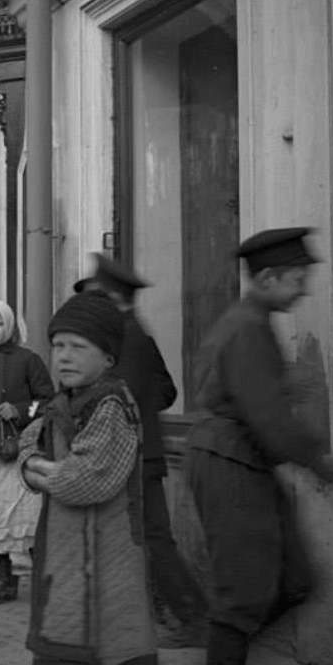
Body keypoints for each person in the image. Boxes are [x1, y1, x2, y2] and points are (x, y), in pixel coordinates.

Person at [184, 228, 333, 665]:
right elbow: (268, 416)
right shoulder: (247, 328)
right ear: (267, 278)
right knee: (243, 589)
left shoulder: (254, 322)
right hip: (229, 463)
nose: (305, 289)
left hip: (249, 463)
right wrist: (327, 467)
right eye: (298, 278)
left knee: (297, 578)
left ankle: (224, 645)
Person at [16, 292, 159, 665]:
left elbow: (84, 481)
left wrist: (35, 469)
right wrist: (37, 463)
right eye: (58, 345)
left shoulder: (110, 406)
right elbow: (26, 442)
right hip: (72, 576)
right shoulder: (68, 402)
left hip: (99, 582)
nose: (64, 356)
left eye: (79, 347)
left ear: (108, 356)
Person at [73, 253, 207, 642]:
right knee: (149, 538)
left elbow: (113, 402)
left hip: (126, 458)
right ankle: (171, 613)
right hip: (145, 455)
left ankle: (193, 618)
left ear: (112, 296)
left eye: (98, 295)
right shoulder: (139, 333)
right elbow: (166, 391)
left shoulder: (119, 339)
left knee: (147, 540)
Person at [0, 299, 54, 605]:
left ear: (10, 325)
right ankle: (3, 581)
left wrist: (19, 409)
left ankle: (46, 581)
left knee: (24, 516)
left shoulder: (28, 360)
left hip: (18, 454)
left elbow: (48, 401)